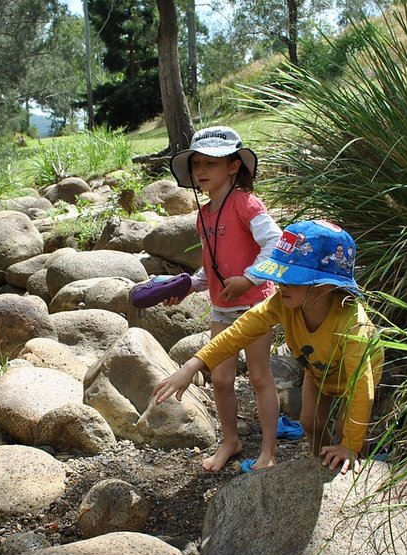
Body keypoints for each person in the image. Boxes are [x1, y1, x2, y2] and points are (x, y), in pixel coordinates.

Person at [152, 220, 384, 474]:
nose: (280, 283)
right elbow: (240, 332)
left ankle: (351, 459)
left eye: (292, 278)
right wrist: (193, 364)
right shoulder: (282, 302)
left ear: (326, 285)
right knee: (309, 422)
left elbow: (362, 387)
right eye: (279, 274)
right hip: (318, 371)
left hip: (354, 378)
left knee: (345, 431)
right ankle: (322, 466)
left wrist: (350, 444)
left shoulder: (352, 324)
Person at [165, 125, 283, 473]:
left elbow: (277, 244)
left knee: (260, 376)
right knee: (220, 379)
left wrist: (250, 277)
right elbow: (211, 266)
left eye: (211, 164)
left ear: (233, 167)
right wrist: (187, 286)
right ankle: (230, 441)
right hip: (222, 306)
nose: (201, 171)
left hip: (255, 305)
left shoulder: (247, 204)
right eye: (197, 164)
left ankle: (269, 449)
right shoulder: (204, 215)